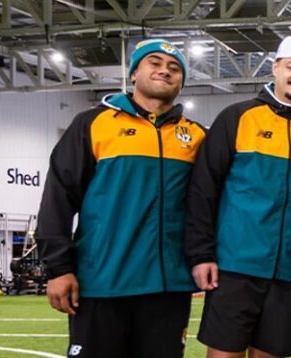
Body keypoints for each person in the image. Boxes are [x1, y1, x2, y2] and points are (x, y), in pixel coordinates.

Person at [36, 39, 204, 358]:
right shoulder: (93, 124)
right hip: (102, 282)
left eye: (174, 68)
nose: (165, 71)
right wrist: (58, 268)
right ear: (134, 71)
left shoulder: (196, 136)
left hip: (168, 288)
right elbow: (57, 199)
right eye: (154, 63)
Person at [184, 36, 291, 358]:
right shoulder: (237, 117)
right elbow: (203, 190)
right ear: (276, 68)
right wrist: (201, 254)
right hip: (235, 269)